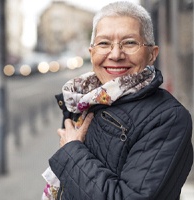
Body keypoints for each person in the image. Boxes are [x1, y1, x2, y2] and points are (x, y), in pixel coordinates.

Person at [42, 1, 193, 200]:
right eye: (104, 43)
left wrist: (71, 151)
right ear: (92, 52)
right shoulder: (82, 100)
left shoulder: (168, 118)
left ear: (152, 54)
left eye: (130, 42)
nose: (115, 54)